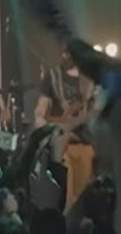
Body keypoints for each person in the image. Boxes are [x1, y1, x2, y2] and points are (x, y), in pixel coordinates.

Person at [33, 50, 95, 208]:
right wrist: (41, 120)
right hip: (59, 133)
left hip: (85, 135)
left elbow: (95, 111)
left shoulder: (90, 78)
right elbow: (41, 109)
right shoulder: (52, 76)